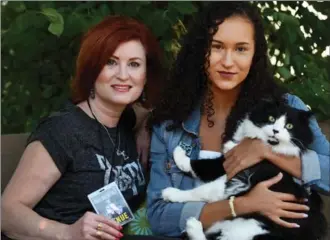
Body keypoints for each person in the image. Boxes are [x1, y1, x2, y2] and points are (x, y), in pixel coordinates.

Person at [147, 2, 330, 237]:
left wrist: (266, 150)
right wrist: (241, 205)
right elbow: (160, 217)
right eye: (217, 47)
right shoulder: (171, 123)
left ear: (255, 54)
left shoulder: (286, 108)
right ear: (200, 50)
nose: (228, 61)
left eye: (241, 49)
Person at [1, 16, 164, 240]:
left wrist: (147, 126)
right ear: (92, 68)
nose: (123, 75)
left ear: (146, 76)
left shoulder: (125, 118)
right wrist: (67, 232)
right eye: (110, 62)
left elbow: (149, 113)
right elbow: (6, 213)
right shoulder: (63, 130)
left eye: (134, 64)